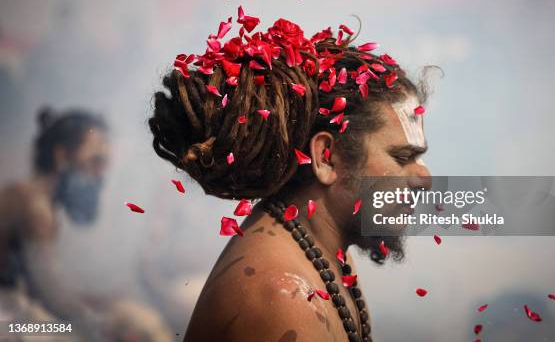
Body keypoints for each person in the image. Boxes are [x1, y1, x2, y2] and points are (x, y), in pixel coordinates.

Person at [149, 18, 433, 341]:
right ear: (326, 158)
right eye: (402, 157)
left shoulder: (327, 257)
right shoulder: (285, 296)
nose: (424, 177)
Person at [0, 107, 171, 341]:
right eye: (95, 161)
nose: (100, 176)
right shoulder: (33, 205)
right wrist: (105, 325)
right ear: (61, 156)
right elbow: (50, 294)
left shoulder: (37, 202)